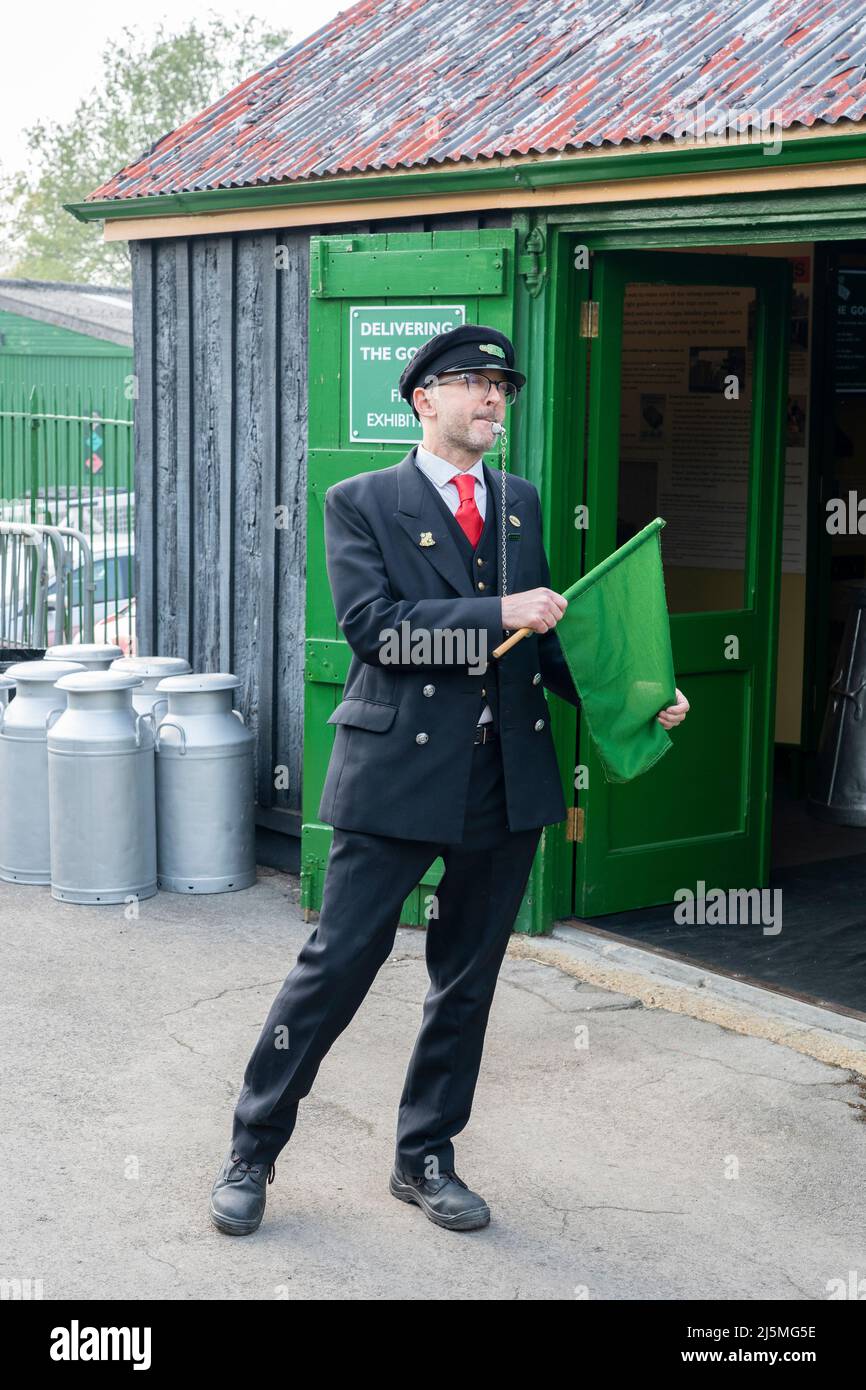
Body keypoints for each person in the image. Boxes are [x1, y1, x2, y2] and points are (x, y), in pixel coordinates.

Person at [209, 324, 690, 1236]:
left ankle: (425, 1158)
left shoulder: (518, 503)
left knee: (465, 980)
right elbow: (376, 631)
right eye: (472, 383)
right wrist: (497, 608)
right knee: (337, 968)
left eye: (502, 386)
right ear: (424, 398)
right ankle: (251, 1152)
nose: (493, 399)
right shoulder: (361, 501)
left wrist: (637, 697)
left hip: (503, 778)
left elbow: (543, 644)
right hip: (395, 774)